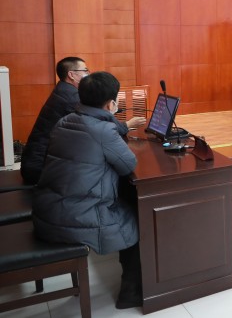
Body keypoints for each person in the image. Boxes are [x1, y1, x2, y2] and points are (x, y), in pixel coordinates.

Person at [32, 72, 143, 309]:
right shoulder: (103, 131)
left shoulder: (65, 121)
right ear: (111, 104)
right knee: (136, 218)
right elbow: (128, 165)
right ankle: (131, 293)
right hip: (76, 216)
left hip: (47, 209)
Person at [21, 57, 145, 184]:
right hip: (41, 168)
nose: (88, 74)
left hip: (42, 161)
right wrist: (127, 125)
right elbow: (127, 162)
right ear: (71, 75)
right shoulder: (72, 97)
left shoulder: (64, 90)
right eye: (85, 70)